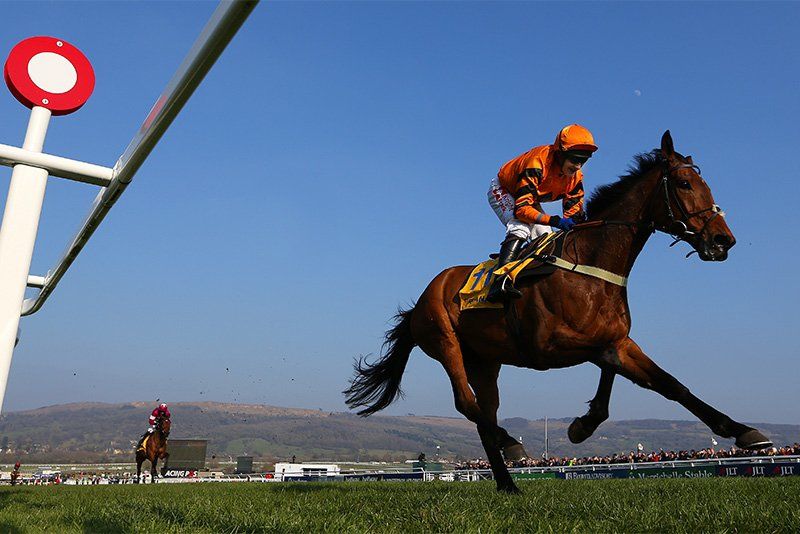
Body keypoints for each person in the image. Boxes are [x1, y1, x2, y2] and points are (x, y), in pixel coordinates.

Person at [486, 124, 598, 302]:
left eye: (583, 161)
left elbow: (574, 216)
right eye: (575, 159)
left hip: (531, 199)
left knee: (546, 237)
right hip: (504, 190)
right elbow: (522, 210)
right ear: (560, 154)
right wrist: (553, 220)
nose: (578, 166)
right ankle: (499, 282)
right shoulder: (537, 163)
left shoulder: (575, 178)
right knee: (520, 227)